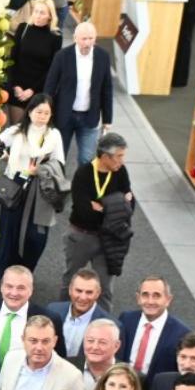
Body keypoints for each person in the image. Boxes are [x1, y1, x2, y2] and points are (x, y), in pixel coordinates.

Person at [0, 94, 66, 277]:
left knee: (36, 235)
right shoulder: (16, 131)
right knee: (10, 231)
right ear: (30, 111)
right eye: (39, 111)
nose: (42, 116)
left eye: (47, 113)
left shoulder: (54, 135)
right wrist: (5, 157)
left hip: (40, 189)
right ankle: (6, 272)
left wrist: (40, 170)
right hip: (15, 187)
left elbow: (59, 164)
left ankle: (27, 270)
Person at [60, 132, 133, 312]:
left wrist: (102, 206)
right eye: (119, 156)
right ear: (105, 156)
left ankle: (102, 324)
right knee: (71, 281)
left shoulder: (121, 172)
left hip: (109, 238)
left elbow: (130, 206)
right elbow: (84, 211)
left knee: (105, 288)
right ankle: (61, 315)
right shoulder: (83, 173)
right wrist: (115, 203)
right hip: (81, 236)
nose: (122, 161)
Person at [43, 21, 114, 163]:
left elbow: (107, 88)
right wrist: (46, 113)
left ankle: (81, 185)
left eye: (91, 38)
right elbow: (50, 85)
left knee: (87, 158)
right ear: (75, 38)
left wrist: (107, 119)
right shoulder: (62, 56)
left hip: (90, 117)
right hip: (64, 116)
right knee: (58, 157)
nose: (87, 43)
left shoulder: (103, 56)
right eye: (84, 39)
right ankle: (57, 184)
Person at [0, 266, 63, 365]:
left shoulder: (49, 319)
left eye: (21, 288)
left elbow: (59, 359)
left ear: (31, 290)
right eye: (9, 286)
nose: (14, 293)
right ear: (1, 287)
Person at [117, 276, 190, 384]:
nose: (150, 301)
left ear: (168, 300)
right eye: (145, 295)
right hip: (122, 386)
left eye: (156, 296)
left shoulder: (182, 333)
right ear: (138, 298)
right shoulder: (126, 319)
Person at [6, 0, 63, 125]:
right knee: (16, 128)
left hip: (38, 90)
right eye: (36, 11)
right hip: (18, 88)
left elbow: (51, 68)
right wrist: (15, 86)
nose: (37, 15)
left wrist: (32, 90)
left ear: (50, 16)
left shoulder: (55, 37)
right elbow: (13, 59)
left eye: (42, 13)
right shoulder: (23, 29)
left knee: (33, 129)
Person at [48, 270, 112, 360]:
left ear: (98, 293)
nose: (83, 297)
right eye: (78, 291)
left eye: (89, 292)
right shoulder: (52, 310)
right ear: (70, 290)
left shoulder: (110, 325)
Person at [79, 318, 122, 390]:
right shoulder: (65, 367)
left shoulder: (132, 377)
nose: (95, 347)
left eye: (102, 342)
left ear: (116, 346)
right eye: (90, 341)